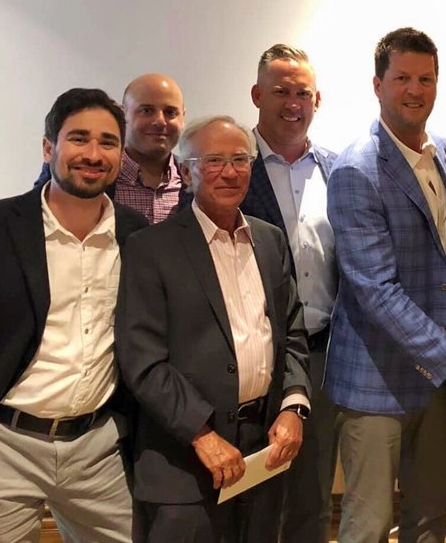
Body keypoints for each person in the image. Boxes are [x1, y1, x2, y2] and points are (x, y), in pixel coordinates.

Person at [0, 88, 145, 541]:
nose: (93, 154)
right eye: (78, 139)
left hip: (98, 446)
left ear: (121, 155)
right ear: (49, 148)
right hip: (2, 444)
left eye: (107, 142)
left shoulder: (138, 236)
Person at [325, 27, 446, 542]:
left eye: (425, 78)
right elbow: (377, 290)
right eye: (402, 78)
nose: (415, 89)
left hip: (433, 378)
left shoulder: (439, 150)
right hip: (375, 381)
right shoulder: (356, 171)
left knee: (430, 516)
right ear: (377, 85)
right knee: (367, 524)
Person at [115, 116, 311, 542]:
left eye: (240, 159)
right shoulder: (150, 248)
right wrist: (201, 435)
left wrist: (293, 407)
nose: (229, 171)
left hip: (262, 451)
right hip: (182, 458)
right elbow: (142, 359)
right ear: (186, 172)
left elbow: (292, 333)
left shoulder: (270, 240)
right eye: (214, 160)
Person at [242, 43, 339, 543]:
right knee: (250, 494)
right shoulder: (231, 165)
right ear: (258, 94)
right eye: (280, 91)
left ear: (317, 99)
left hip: (322, 355)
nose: (292, 102)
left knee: (312, 495)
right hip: (249, 358)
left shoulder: (340, 170)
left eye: (303, 92)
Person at [34, 73, 190, 222]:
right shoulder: (85, 170)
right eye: (146, 110)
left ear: (183, 118)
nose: (160, 121)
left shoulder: (195, 180)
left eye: (170, 112)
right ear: (123, 114)